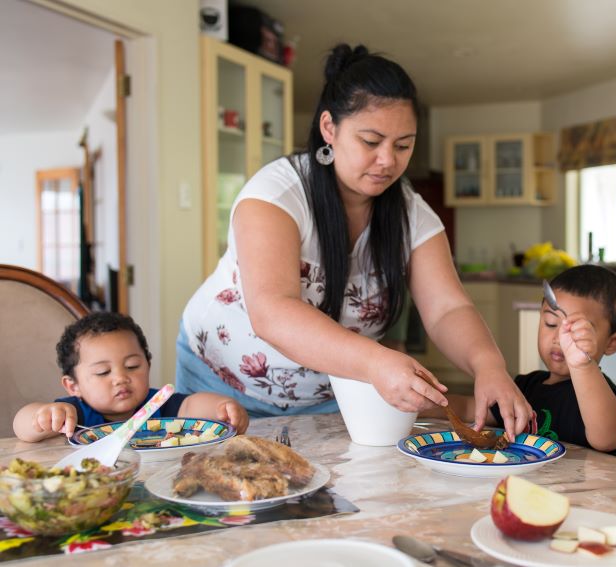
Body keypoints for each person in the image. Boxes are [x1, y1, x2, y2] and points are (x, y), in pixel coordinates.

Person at [176, 44, 532, 439]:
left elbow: (448, 308)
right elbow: (273, 311)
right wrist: (377, 361)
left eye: (402, 145)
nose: (387, 161)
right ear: (330, 128)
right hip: (221, 388)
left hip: (336, 395)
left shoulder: (411, 214)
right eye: (371, 141)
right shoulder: (276, 196)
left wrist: (489, 366)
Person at [421, 264, 616, 453]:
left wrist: (582, 364)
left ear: (613, 343)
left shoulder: (605, 397)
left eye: (577, 331)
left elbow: (607, 439)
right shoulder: (526, 386)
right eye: (550, 323)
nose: (560, 338)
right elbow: (470, 408)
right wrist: (422, 405)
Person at [13, 312, 249, 442]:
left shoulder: (158, 406)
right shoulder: (74, 414)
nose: (120, 378)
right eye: (103, 372)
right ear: (72, 385)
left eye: (132, 366)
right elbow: (21, 428)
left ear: (148, 364)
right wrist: (42, 417)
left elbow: (191, 405)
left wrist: (223, 406)